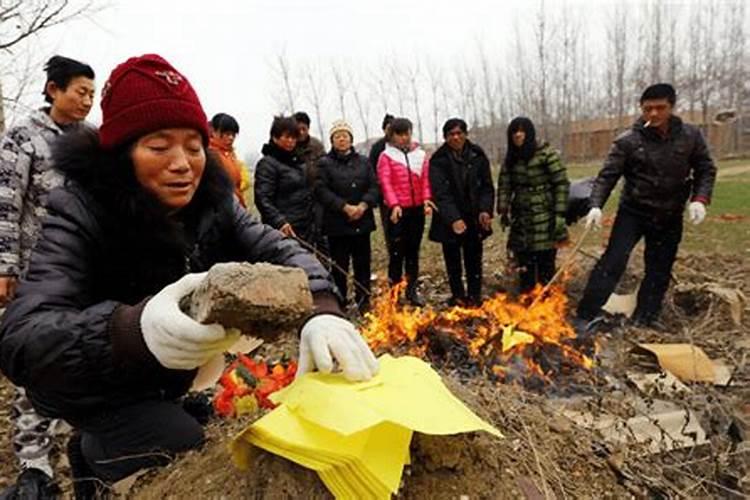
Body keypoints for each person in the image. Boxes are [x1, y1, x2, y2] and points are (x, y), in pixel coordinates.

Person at [0, 54, 378, 497]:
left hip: (169, 372)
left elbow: (274, 245)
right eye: (159, 147)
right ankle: (99, 447)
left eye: (194, 147)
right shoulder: (79, 208)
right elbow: (23, 339)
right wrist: (131, 330)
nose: (183, 164)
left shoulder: (213, 201)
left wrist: (321, 308)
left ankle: (94, 454)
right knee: (179, 444)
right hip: (90, 381)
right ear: (121, 155)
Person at [0, 54, 94, 493]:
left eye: (93, 94)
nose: (87, 101)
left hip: (83, 269)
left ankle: (70, 432)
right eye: (81, 91)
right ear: (54, 89)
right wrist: (6, 265)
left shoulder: (91, 141)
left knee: (77, 351)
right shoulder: (23, 137)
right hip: (36, 273)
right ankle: (34, 462)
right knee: (35, 359)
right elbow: (6, 203)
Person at [575, 83, 716, 330]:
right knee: (613, 262)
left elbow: (706, 169)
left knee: (659, 267)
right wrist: (595, 205)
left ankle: (645, 318)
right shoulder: (628, 141)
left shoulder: (691, 136)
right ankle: (585, 314)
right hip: (634, 212)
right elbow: (608, 176)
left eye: (660, 108)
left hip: (670, 214)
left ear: (671, 107)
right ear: (641, 109)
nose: (653, 114)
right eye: (648, 108)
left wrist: (699, 199)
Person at [496, 117, 570, 293]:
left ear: (529, 133)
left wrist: (560, 214)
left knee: (545, 260)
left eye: (522, 131)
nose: (518, 135)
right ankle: (528, 299)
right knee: (525, 261)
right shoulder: (511, 159)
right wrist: (503, 209)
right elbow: (505, 185)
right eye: (515, 131)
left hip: (545, 213)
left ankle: (547, 299)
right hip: (521, 216)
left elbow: (561, 183)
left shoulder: (546, 154)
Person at [315, 120, 379, 314]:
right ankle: (340, 301)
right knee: (339, 265)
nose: (342, 139)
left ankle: (363, 300)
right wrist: (344, 207)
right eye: (337, 136)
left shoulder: (364, 162)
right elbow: (321, 190)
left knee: (362, 263)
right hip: (337, 223)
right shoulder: (324, 164)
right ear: (332, 140)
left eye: (345, 135)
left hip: (362, 221)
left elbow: (374, 187)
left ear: (351, 139)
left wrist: (363, 205)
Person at [428, 118, 494, 307]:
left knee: (474, 258)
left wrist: (485, 210)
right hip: (448, 218)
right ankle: (457, 295)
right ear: (445, 137)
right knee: (453, 260)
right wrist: (453, 218)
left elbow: (487, 187)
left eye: (459, 133)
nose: (456, 137)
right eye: (451, 134)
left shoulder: (477, 154)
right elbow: (440, 193)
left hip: (474, 216)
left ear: (465, 134)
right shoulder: (438, 160)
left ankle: (474, 296)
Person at [376, 117, 433, 306]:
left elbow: (425, 180)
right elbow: (386, 182)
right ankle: (394, 292)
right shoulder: (386, 156)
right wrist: (394, 204)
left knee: (413, 252)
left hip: (416, 210)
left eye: (406, 133)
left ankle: (411, 290)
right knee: (396, 253)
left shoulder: (421, 155)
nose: (403, 138)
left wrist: (426, 200)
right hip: (398, 211)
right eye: (399, 134)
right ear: (392, 136)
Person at [254, 117, 317, 240]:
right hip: (283, 229)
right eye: (287, 137)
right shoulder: (267, 164)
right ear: (275, 137)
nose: (291, 141)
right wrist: (279, 221)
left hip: (305, 226)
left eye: (294, 138)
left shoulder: (298, 161)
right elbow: (263, 198)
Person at [208, 112, 251, 208]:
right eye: (227, 134)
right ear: (214, 132)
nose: (231, 138)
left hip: (236, 208)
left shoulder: (231, 155)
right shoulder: (210, 155)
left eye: (233, 135)